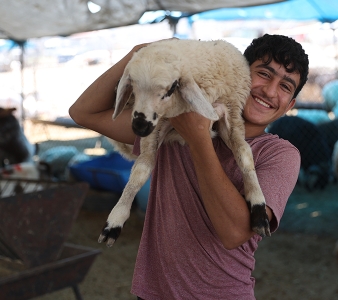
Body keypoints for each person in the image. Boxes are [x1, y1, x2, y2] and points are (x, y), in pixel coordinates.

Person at [69, 33, 309, 299]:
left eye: (286, 87)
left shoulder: (279, 155)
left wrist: (198, 138)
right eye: (264, 74)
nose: (270, 90)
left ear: (290, 105)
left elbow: (234, 233)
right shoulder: (171, 124)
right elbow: (83, 113)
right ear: (241, 71)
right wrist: (139, 55)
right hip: (152, 294)